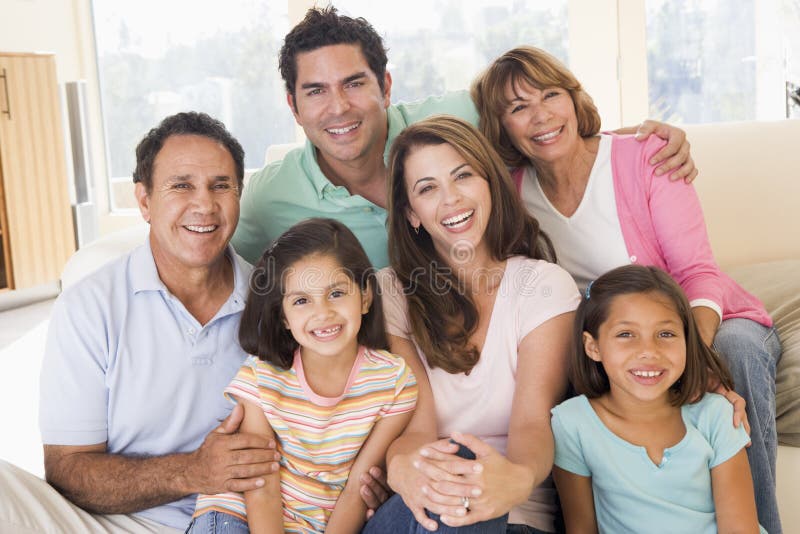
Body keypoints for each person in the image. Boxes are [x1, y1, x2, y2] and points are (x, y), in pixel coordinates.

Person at [471, 45, 782, 534]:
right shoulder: (508, 192)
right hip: (607, 340)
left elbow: (700, 272)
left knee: (736, 351)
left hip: (703, 319)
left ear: (574, 101)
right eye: (518, 107)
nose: (541, 115)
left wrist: (695, 359)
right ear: (501, 126)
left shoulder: (645, 158)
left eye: (551, 95)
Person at [231, 6, 696, 270]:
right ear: (292, 106)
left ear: (385, 86)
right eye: (316, 91)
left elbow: (543, 123)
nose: (338, 108)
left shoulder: (456, 117)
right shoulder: (268, 198)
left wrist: (640, 143)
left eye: (354, 83)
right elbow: (222, 272)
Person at [0, 112, 279, 533]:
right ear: (145, 201)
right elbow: (68, 470)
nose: (204, 204)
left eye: (221, 185)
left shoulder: (280, 301)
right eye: (181, 185)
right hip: (120, 523)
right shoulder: (90, 306)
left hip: (251, 518)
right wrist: (193, 471)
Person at [361, 115, 580, 533]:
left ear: (490, 184)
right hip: (421, 509)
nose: (452, 199)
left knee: (470, 483)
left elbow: (533, 422)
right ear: (412, 214)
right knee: (457, 473)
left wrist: (513, 480)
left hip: (516, 514)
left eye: (463, 176)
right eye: (428, 188)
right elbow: (417, 426)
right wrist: (401, 467)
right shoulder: (389, 292)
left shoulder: (543, 286)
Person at [188, 218, 418, 533]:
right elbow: (261, 483)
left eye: (336, 293)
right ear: (283, 316)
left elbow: (357, 489)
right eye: (301, 301)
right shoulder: (262, 378)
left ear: (364, 297)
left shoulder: (394, 382)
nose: (322, 312)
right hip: (239, 513)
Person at [552, 265, 764, 533]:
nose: (648, 351)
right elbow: (581, 528)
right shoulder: (572, 423)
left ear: (687, 341)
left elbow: (740, 529)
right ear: (593, 347)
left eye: (666, 334)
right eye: (626, 334)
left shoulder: (717, 415)